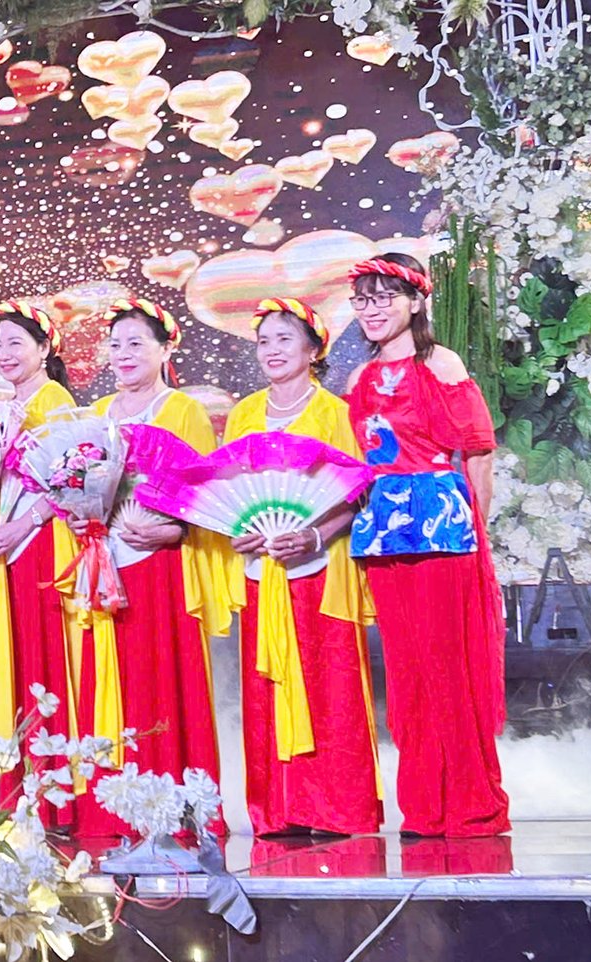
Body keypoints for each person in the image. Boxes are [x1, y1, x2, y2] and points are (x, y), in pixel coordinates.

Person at [344, 254, 509, 837]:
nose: (371, 310)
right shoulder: (359, 379)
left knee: (447, 666)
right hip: (384, 531)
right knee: (406, 669)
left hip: (442, 526)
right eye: (362, 299)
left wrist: (476, 528)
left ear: (416, 302)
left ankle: (471, 804)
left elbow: (478, 450)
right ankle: (423, 807)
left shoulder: (440, 362)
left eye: (384, 296)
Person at [225, 300, 381, 837]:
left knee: (330, 686)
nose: (272, 350)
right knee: (266, 688)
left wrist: (313, 534)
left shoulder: (334, 413)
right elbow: (229, 490)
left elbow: (356, 493)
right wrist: (238, 531)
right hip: (263, 571)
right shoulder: (244, 414)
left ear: (314, 350)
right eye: (264, 341)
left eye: (284, 339)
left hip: (321, 568)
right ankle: (277, 811)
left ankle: (338, 810)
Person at [86, 299, 235, 834]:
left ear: (165, 348)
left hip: (163, 565)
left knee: (168, 680)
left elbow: (207, 494)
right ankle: (120, 809)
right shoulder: (97, 413)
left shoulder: (183, 410)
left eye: (136, 343)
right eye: (116, 344)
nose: (123, 354)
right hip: (108, 566)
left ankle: (180, 809)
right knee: (116, 681)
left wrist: (174, 531)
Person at [0, 300, 82, 814]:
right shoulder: (5, 406)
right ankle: (24, 792)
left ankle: (55, 793)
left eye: (15, 343)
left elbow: (73, 476)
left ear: (44, 349)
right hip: (8, 544)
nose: (4, 353)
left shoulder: (53, 398)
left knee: (46, 659)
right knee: (19, 659)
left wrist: (23, 523)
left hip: (42, 541)